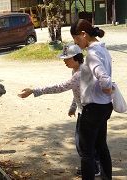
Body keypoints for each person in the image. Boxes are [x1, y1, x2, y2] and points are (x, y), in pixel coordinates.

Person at [18, 44, 101, 177]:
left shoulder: (79, 74)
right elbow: (80, 91)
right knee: (92, 142)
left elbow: (60, 87)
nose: (64, 61)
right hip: (87, 110)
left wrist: (34, 90)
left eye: (66, 58)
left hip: (88, 112)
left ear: (75, 58)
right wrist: (73, 107)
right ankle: (95, 166)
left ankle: (93, 168)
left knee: (82, 144)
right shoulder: (79, 70)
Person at [70, 19, 113, 180]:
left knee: (86, 152)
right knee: (101, 146)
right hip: (104, 106)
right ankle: (106, 177)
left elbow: (104, 79)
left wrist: (107, 87)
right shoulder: (103, 49)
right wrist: (107, 91)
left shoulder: (92, 54)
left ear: (83, 34)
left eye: (76, 39)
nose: (76, 43)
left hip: (93, 109)